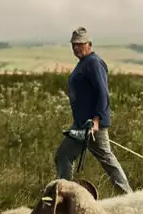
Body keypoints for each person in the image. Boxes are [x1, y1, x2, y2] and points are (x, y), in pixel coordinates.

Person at [55, 27, 132, 193]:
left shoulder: (94, 63)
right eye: (74, 45)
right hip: (81, 124)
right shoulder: (83, 63)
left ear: (89, 44)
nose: (76, 48)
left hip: (91, 125)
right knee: (64, 155)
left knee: (107, 159)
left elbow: (102, 93)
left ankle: (128, 196)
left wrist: (97, 120)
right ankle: (64, 194)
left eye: (80, 44)